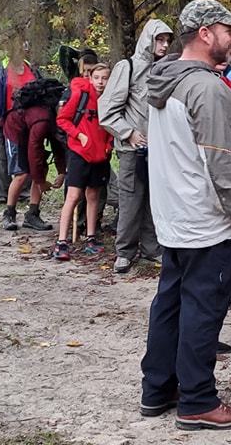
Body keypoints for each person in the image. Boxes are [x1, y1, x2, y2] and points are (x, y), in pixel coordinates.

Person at [140, 0, 231, 431]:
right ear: (205, 33)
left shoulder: (165, 79)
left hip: (176, 217)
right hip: (205, 220)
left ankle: (158, 389)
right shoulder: (206, 88)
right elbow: (224, 163)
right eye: (227, 29)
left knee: (171, 304)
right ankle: (197, 401)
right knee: (203, 308)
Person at [99, 19, 174, 273]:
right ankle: (125, 251)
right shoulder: (127, 67)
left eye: (167, 41)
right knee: (131, 199)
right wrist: (128, 133)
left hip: (159, 150)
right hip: (132, 149)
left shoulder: (165, 69)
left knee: (156, 200)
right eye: (159, 40)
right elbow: (107, 110)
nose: (163, 45)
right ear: (148, 39)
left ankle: (153, 248)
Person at [53, 63, 113, 260]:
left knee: (93, 195)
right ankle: (61, 241)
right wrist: (79, 135)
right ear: (90, 78)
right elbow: (62, 120)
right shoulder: (80, 95)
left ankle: (91, 237)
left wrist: (109, 146)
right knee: (73, 195)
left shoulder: (110, 99)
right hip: (79, 153)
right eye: (97, 78)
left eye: (104, 78)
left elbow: (112, 126)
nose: (100, 82)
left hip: (100, 155)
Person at [1, 79, 67, 232]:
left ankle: (32, 214)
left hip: (30, 133)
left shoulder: (53, 116)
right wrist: (40, 181)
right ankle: (9, 214)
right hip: (15, 132)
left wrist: (62, 171)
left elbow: (57, 143)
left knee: (40, 169)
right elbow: (34, 148)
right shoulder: (43, 118)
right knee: (22, 174)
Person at [0, 50, 38, 203]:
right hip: (2, 122)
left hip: (27, 123)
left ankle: (24, 191)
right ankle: (3, 192)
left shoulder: (32, 70)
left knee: (27, 156)